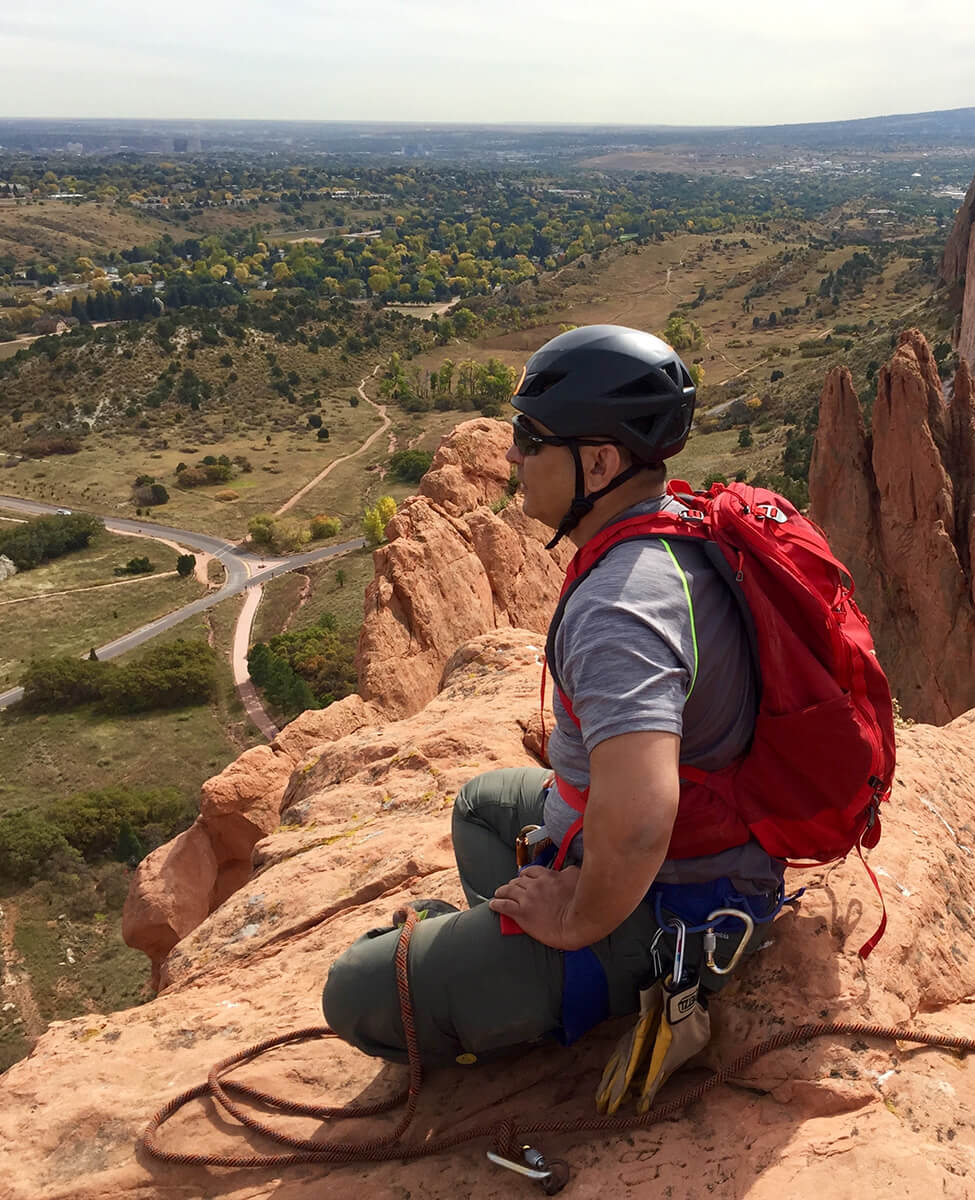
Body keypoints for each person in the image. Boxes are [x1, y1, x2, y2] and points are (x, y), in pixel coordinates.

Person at [322, 325, 776, 1103]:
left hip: (672, 906)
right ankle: (515, 962)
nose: (511, 459)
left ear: (599, 462)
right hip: (720, 854)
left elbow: (637, 823)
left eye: (532, 440)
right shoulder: (680, 532)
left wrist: (575, 916)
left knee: (354, 989)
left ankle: (566, 970)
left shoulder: (621, 608)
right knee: (479, 805)